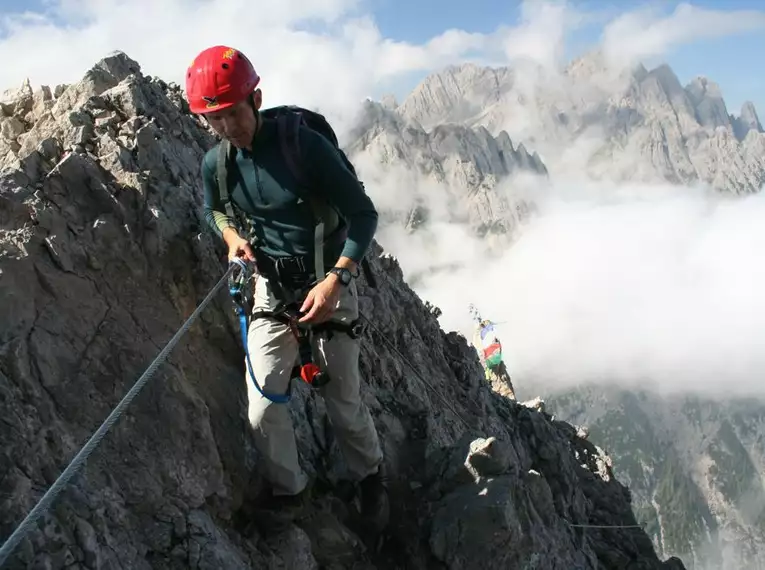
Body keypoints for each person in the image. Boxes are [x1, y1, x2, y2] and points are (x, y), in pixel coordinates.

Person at [185, 45, 388, 529]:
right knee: (261, 407)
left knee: (343, 402)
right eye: (215, 120)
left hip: (328, 283)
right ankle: (291, 490)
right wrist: (233, 238)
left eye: (233, 113)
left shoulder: (304, 147)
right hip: (272, 288)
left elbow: (363, 215)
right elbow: (216, 211)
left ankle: (371, 478)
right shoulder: (218, 164)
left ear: (256, 99)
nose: (228, 128)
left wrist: (337, 281)